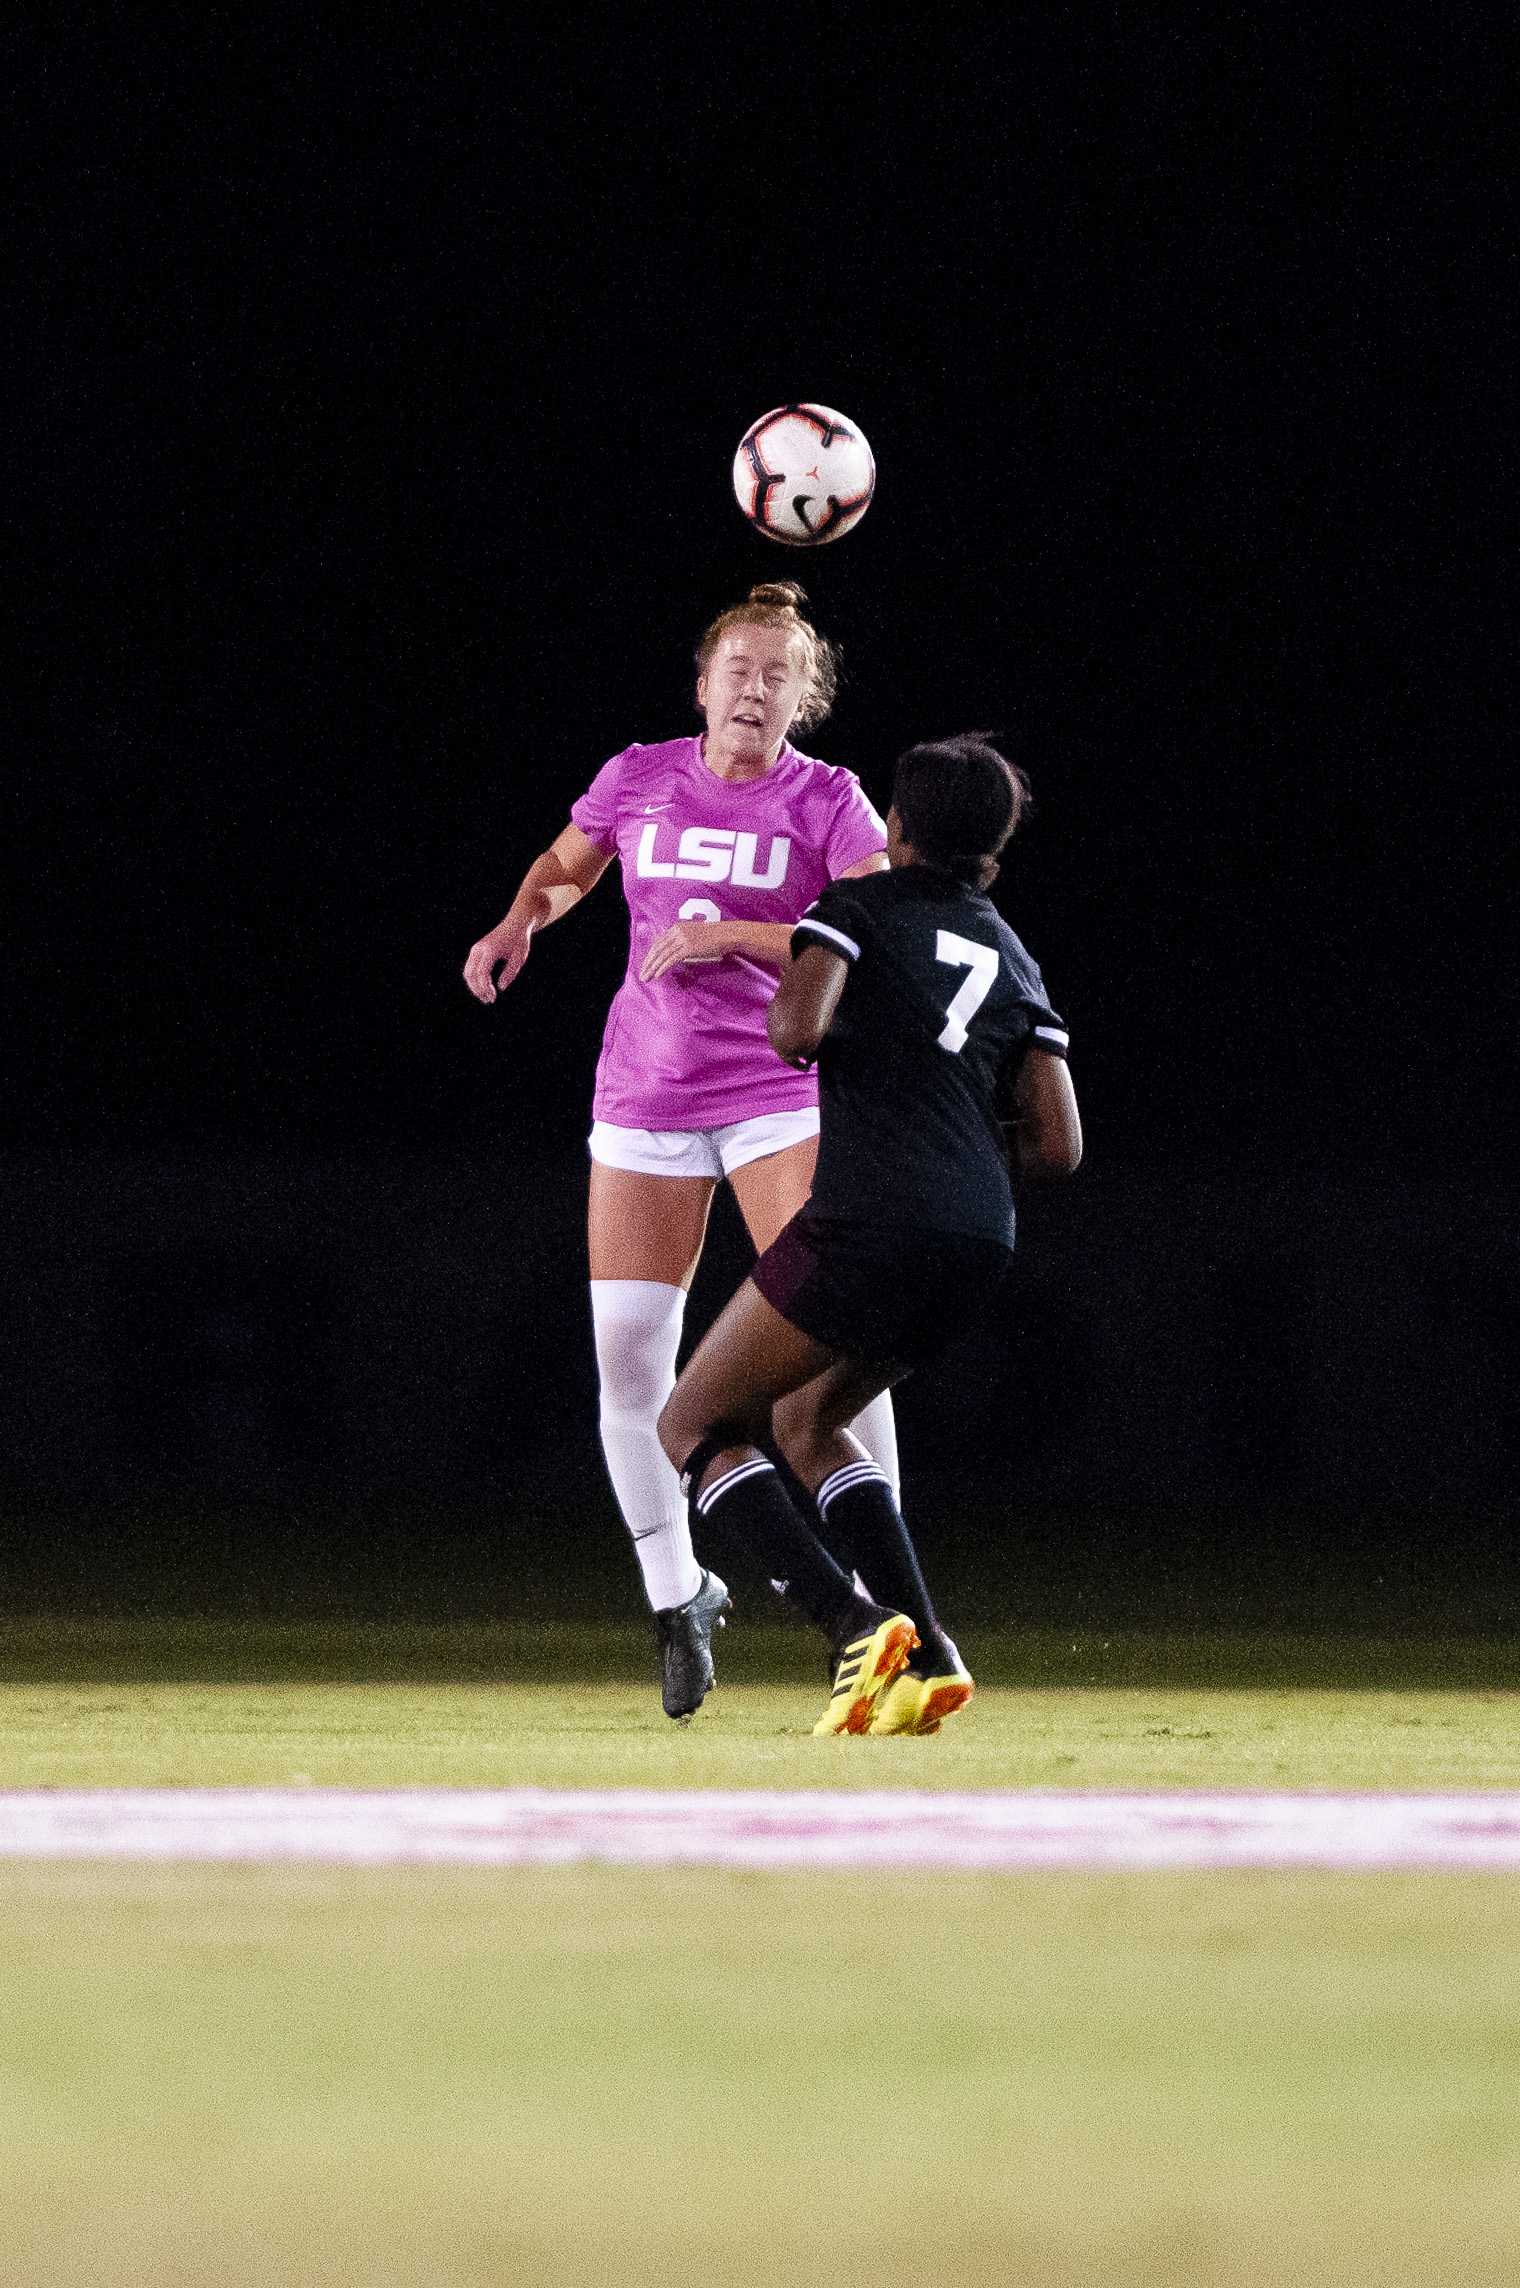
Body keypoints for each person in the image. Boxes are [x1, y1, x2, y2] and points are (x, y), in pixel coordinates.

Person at [462, 583, 901, 1717]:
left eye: (777, 674)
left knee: (828, 1343)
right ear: (700, 684)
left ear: (806, 697)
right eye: (737, 669)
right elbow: (567, 865)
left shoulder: (830, 800)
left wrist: (732, 933)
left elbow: (877, 939)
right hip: (646, 1097)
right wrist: (519, 920)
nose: (754, 688)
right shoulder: (641, 774)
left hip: (772, 1095)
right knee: (627, 1360)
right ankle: (677, 1593)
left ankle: (881, 1597)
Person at [656, 733, 1082, 1736]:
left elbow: (793, 1032)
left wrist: (846, 1012)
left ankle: (850, 1623)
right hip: (977, 1233)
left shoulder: (856, 907)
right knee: (808, 1419)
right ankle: (926, 1654)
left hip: (869, 1214)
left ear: (895, 827)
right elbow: (1058, 1143)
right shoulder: (1007, 947)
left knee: (688, 1422)